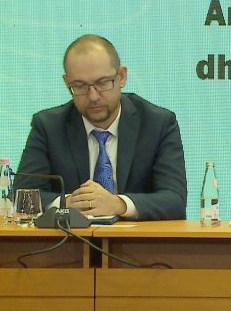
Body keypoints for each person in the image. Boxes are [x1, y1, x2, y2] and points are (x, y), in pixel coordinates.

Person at [14, 34, 187, 220]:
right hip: (71, 238)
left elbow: (174, 200)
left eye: (102, 83)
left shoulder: (157, 123)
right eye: (79, 86)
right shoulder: (49, 126)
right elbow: (21, 196)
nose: (93, 96)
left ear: (121, 77)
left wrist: (118, 204)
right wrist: (67, 203)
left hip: (135, 238)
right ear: (67, 82)